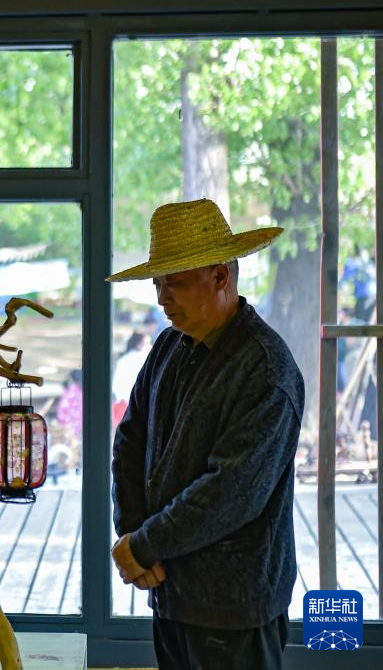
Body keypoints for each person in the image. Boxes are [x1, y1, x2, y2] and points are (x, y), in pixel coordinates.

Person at [107, 199, 304, 670]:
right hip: (169, 587)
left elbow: (232, 491)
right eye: (157, 284)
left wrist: (143, 546)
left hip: (234, 602)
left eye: (173, 282)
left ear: (219, 276)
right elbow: (130, 440)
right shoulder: (169, 345)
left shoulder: (265, 368)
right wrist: (132, 531)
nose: (161, 298)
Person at [111, 331, 150, 425]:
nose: (150, 346)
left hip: (123, 405)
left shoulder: (122, 360)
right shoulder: (144, 359)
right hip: (139, 406)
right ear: (140, 344)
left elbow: (115, 386)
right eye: (148, 343)